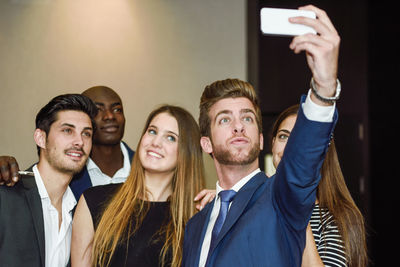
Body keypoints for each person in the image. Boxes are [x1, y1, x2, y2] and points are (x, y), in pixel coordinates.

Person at [182, 5, 341, 267]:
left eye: (247, 118)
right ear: (206, 143)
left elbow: (301, 160)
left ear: (261, 139)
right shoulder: (196, 225)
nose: (238, 126)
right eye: (224, 119)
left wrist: (324, 87)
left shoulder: (281, 196)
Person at [71, 104, 205, 267]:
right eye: (152, 131)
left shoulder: (198, 216)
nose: (156, 142)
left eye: (170, 137)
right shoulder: (93, 201)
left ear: (187, 152)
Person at [0, 94, 98, 267]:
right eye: (68, 130)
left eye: (86, 134)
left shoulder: (82, 212)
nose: (79, 141)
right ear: (41, 138)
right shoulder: (6, 195)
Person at [270, 104, 368, 267]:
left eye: (300, 140)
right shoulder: (257, 204)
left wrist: (297, 209)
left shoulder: (339, 216)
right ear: (272, 144)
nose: (290, 148)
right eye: (283, 137)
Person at [0, 86, 134, 201]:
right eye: (68, 130)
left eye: (117, 109)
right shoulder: (60, 170)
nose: (110, 116)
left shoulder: (148, 166)